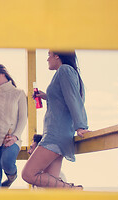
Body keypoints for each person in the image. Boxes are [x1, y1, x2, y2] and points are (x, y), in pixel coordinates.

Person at [22, 51, 89, 189]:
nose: (47, 58)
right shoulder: (66, 72)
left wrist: (80, 126)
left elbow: (73, 99)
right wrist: (46, 96)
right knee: (52, 187)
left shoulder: (64, 70)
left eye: (49, 54)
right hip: (57, 133)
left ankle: (74, 190)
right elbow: (64, 98)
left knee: (28, 174)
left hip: (56, 134)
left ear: (57, 56)